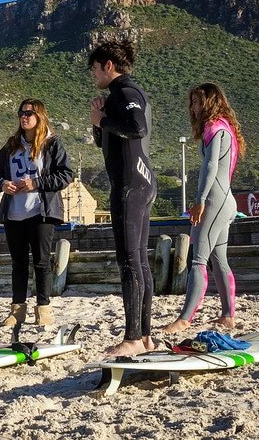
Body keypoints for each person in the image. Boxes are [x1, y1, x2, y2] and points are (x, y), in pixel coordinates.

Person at [88, 40, 158, 357]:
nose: (93, 76)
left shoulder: (126, 93)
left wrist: (102, 120)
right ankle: (144, 337)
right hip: (139, 182)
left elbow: (136, 127)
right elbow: (105, 140)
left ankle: (131, 338)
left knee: (130, 261)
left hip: (131, 185)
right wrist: (99, 120)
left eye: (94, 69)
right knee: (139, 261)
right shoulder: (119, 96)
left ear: (108, 66)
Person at [161, 83, 246, 334]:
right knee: (219, 259)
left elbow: (209, 167)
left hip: (214, 201)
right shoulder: (226, 127)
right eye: (192, 103)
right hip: (226, 201)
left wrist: (199, 200)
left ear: (210, 102)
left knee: (198, 260)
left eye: (197, 102)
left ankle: (184, 318)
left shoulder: (213, 127)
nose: (193, 108)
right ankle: (228, 315)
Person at [0, 99, 74, 328]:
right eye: (21, 112)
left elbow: (66, 175)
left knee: (41, 262)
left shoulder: (52, 143)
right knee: (18, 263)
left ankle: (43, 309)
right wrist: (2, 184)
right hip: (14, 212)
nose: (24, 116)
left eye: (30, 112)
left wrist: (36, 183)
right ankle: (17, 311)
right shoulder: (10, 145)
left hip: (41, 211)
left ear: (40, 116)